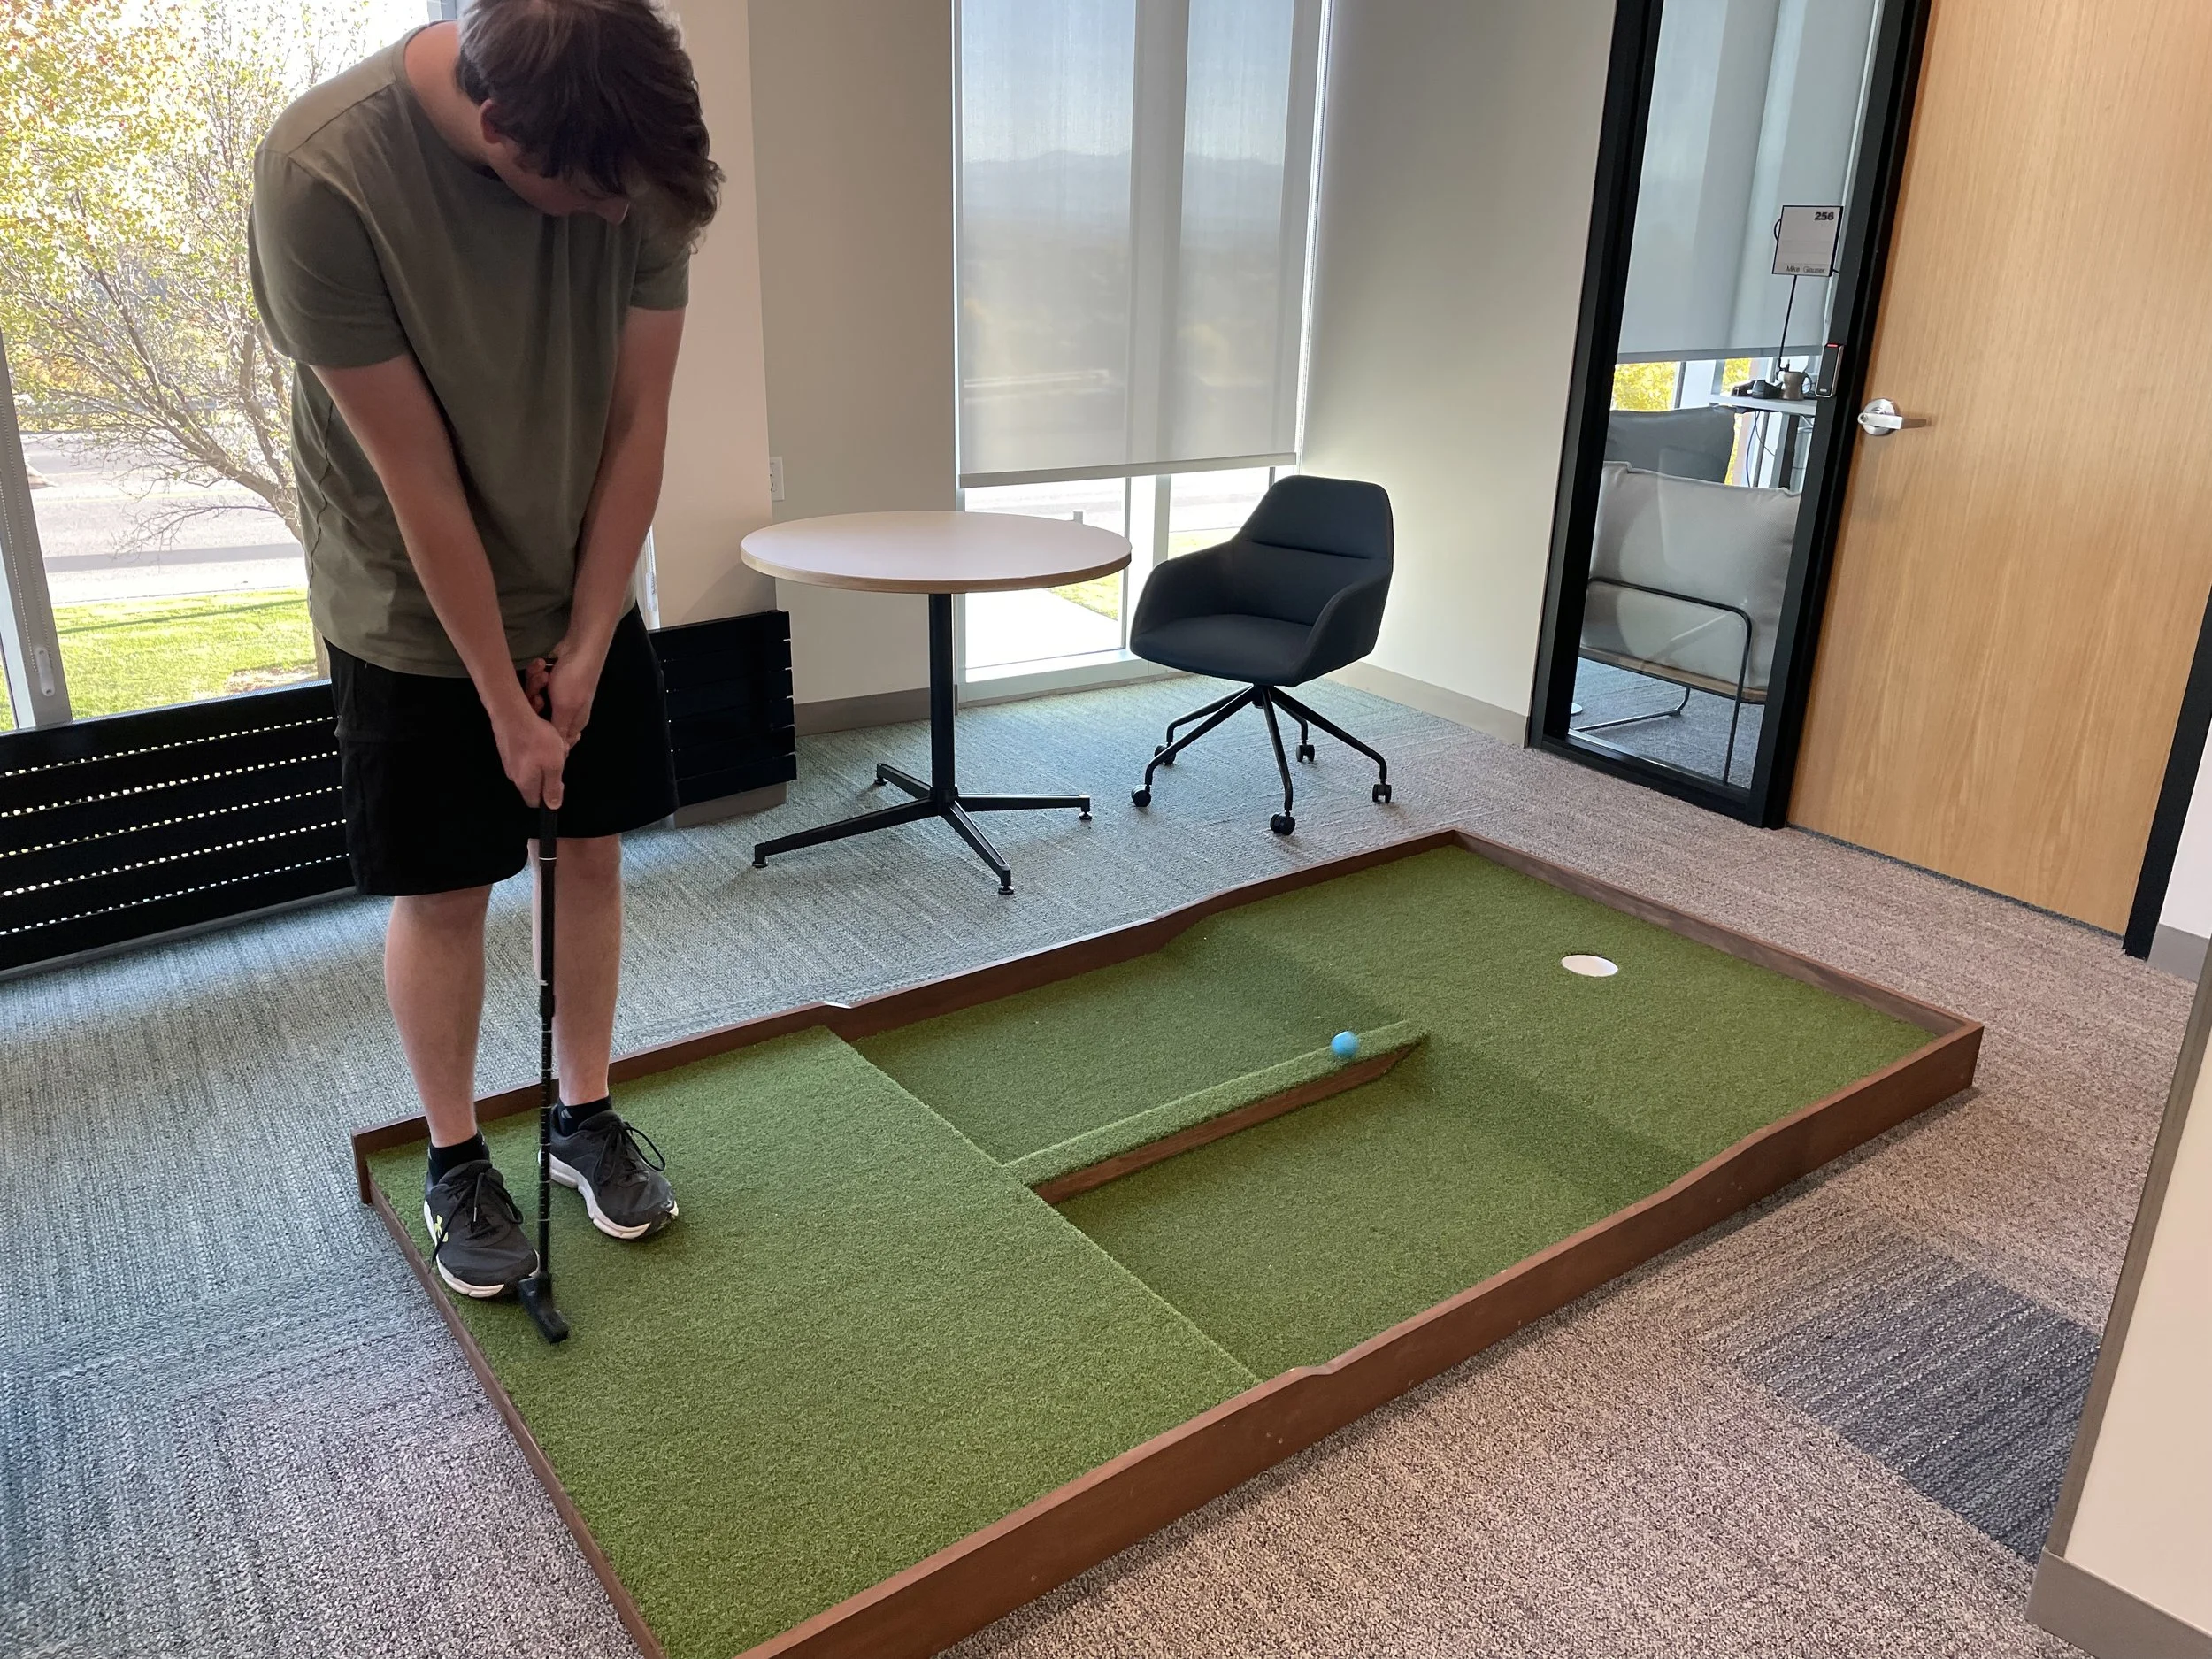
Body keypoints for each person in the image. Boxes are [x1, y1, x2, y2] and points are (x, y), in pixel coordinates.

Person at [250, 0, 719, 1297]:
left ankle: (582, 1114)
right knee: (449, 885)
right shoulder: (322, 176)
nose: (615, 225)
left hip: (582, 568)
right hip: (409, 596)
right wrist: (505, 708)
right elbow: (419, 481)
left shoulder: (637, 153)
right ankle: (456, 1155)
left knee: (589, 849)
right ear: (500, 127)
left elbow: (638, 425)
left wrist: (581, 643)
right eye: (585, 203)